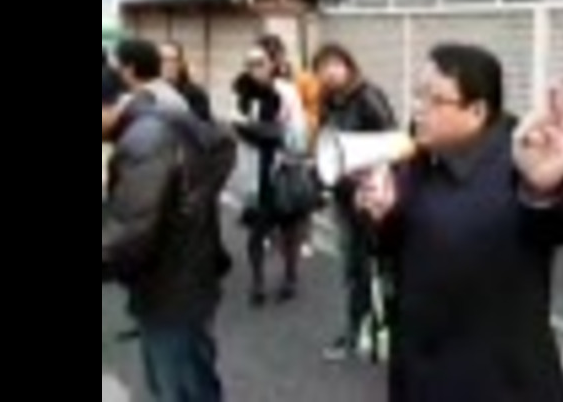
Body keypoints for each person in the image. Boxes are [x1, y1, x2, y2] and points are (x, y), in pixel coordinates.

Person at [357, 44, 563, 402]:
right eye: (417, 95)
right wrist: (383, 216)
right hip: (417, 373)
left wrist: (547, 187)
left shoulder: (522, 158)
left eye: (433, 99)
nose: (418, 108)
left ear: (477, 110)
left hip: (500, 382)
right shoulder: (417, 158)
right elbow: (399, 246)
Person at [102, 39, 234, 402]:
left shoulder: (146, 137)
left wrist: (191, 204)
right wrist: (194, 202)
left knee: (177, 385)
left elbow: (130, 231)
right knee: (194, 378)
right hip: (186, 275)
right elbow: (222, 144)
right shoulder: (158, 121)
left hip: (171, 284)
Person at [313, 43, 397, 361]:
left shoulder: (368, 97)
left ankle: (380, 330)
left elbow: (391, 143)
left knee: (379, 267)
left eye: (335, 64)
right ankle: (358, 330)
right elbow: (327, 146)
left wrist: (373, 182)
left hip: (371, 198)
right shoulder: (328, 100)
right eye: (323, 67)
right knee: (353, 269)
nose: (329, 71)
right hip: (344, 197)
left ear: (349, 66)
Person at [232, 44, 310, 306]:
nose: (255, 68)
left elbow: (298, 135)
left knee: (289, 230)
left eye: (260, 62)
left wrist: (273, 133)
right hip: (255, 172)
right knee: (256, 231)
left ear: (272, 64)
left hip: (281, 169)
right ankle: (258, 283)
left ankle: (290, 277)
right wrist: (248, 130)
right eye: (250, 63)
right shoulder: (241, 93)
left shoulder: (286, 92)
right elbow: (237, 127)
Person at [159, 41, 213, 122]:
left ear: (181, 63)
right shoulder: (150, 91)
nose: (168, 65)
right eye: (163, 60)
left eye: (173, 60)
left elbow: (201, 124)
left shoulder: (195, 94)